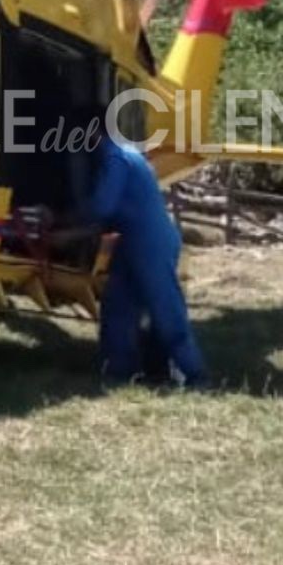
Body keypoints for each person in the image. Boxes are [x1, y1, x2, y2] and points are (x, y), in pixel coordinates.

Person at [86, 133, 207, 388]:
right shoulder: (128, 152)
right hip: (133, 240)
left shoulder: (116, 158)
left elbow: (103, 207)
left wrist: (69, 218)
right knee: (118, 304)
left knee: (165, 308)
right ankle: (120, 370)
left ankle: (193, 373)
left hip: (150, 242)